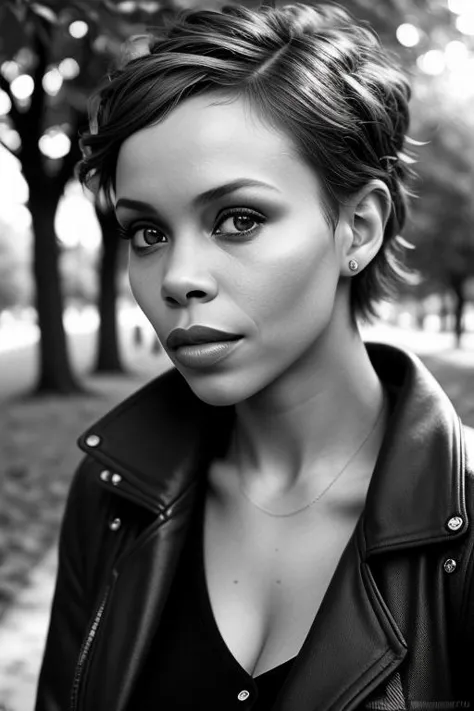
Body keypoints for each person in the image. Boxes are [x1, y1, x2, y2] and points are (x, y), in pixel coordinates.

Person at [35, 3, 474, 710]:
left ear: (357, 228)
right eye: (146, 231)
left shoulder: (465, 527)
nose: (178, 277)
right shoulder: (112, 496)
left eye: (237, 219)